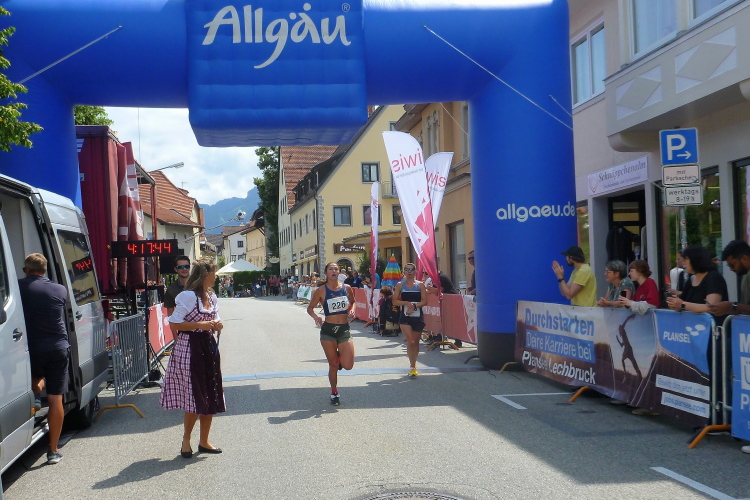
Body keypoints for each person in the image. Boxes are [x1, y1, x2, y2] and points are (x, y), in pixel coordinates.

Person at [160, 260, 225, 458]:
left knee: (210, 392)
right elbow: (174, 323)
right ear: (205, 275)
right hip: (189, 347)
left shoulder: (212, 296)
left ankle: (204, 441)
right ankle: (186, 440)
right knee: (194, 396)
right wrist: (200, 325)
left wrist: (217, 325)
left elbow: (216, 318)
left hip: (207, 346)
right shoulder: (188, 296)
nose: (216, 277)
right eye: (213, 273)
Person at [18, 253, 69, 464]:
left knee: (33, 378)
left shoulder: (19, 287)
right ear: (45, 270)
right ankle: (53, 451)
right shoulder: (60, 289)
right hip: (57, 347)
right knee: (56, 398)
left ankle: (35, 397)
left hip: (30, 349)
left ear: (27, 269)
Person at [307, 262, 356, 405]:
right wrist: (316, 317)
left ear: (339, 272)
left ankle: (340, 357)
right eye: (331, 269)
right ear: (326, 273)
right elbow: (310, 308)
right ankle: (334, 391)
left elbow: (353, 302)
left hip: (344, 329)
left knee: (348, 365)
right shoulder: (321, 290)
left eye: (336, 269)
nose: (334, 271)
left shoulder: (347, 288)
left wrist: (353, 310)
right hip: (328, 330)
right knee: (333, 365)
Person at [666, 246, 728, 317]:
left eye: (685, 259)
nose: (683, 263)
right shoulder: (691, 279)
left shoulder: (714, 278)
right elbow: (683, 303)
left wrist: (682, 304)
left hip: (711, 323)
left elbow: (711, 307)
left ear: (695, 259)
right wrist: (675, 304)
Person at [393, 263, 428, 377]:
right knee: (411, 341)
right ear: (404, 272)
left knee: (416, 342)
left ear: (415, 272)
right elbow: (394, 301)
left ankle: (414, 365)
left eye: (411, 269)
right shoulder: (400, 285)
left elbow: (425, 301)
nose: (409, 272)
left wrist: (414, 306)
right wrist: (406, 303)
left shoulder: (420, 285)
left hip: (417, 316)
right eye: (407, 269)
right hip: (405, 317)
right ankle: (412, 367)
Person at [424, 270, 461, 345]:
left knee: (452, 320)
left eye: (427, 273)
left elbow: (440, 290)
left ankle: (458, 341)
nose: (427, 275)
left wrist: (430, 289)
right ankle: (439, 337)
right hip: (446, 301)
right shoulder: (436, 278)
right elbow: (435, 290)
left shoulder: (441, 277)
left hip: (451, 300)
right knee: (443, 319)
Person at [164, 255, 191, 342]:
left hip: (201, 329)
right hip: (183, 331)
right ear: (176, 269)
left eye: (187, 266)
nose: (184, 269)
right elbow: (170, 315)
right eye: (181, 267)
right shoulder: (171, 290)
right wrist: (175, 336)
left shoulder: (198, 284)